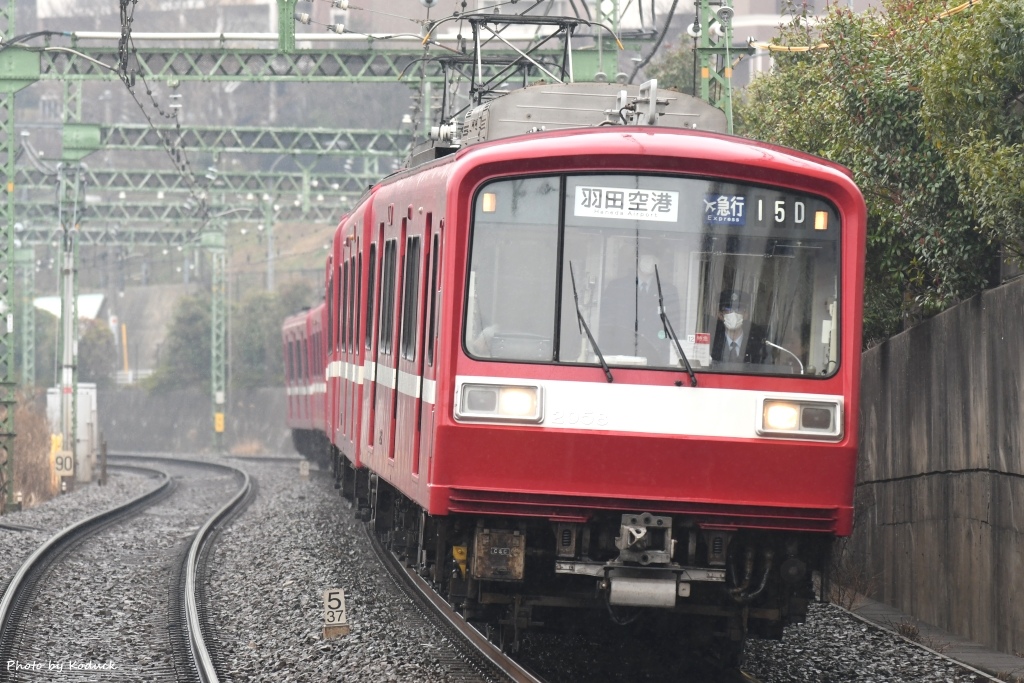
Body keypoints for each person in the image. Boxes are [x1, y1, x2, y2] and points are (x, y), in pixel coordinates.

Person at [598, 250, 678, 363]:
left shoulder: (668, 290)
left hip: (655, 359)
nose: (649, 261)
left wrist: (666, 359)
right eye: (645, 256)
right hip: (620, 357)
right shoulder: (616, 287)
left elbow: (673, 328)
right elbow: (605, 326)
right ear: (637, 260)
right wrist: (605, 355)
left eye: (654, 257)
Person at [710, 290, 770, 364]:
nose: (734, 314)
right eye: (728, 310)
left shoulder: (757, 344)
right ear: (720, 315)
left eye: (739, 309)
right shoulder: (712, 342)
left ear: (746, 314)